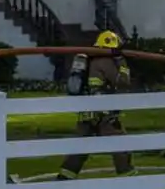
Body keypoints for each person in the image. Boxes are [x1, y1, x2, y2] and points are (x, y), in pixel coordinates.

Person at [56, 30, 138, 181]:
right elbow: (122, 82)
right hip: (105, 115)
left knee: (79, 151)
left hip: (86, 114)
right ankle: (129, 182)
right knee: (121, 148)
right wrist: (121, 61)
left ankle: (64, 180)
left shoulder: (87, 61)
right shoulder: (106, 62)